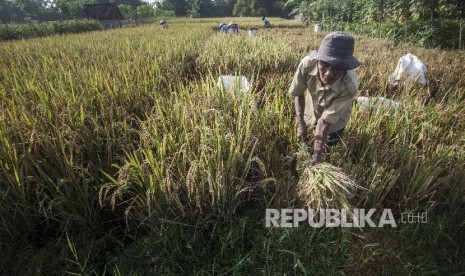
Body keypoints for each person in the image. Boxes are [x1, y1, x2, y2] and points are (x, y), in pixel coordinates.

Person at [288, 31, 360, 165]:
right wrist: (301, 123)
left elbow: (326, 121)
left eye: (337, 68)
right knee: (304, 137)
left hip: (334, 122)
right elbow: (298, 93)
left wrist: (317, 153)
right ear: (318, 60)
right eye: (325, 65)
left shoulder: (350, 85)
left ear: (344, 68)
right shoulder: (306, 65)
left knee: (328, 146)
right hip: (311, 110)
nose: (328, 74)